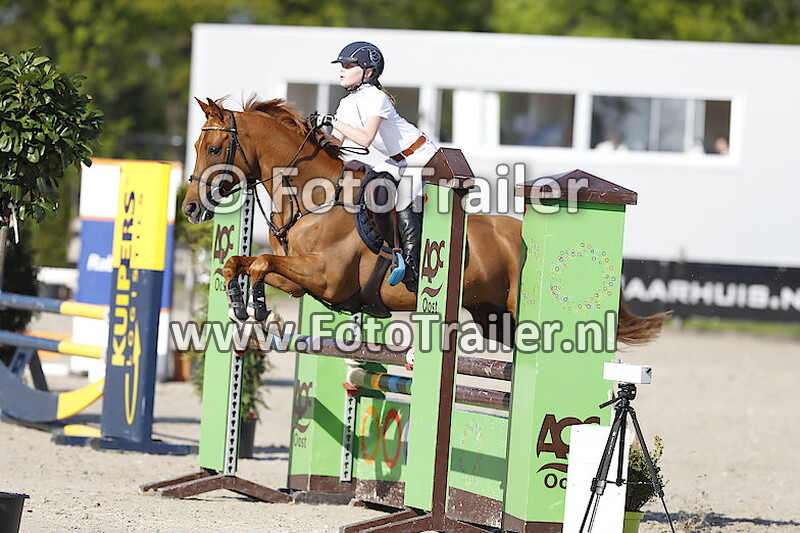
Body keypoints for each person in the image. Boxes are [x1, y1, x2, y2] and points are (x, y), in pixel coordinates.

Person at [310, 41, 437, 291]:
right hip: (396, 160)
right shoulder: (346, 103)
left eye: (349, 66)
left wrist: (332, 121)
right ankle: (392, 250)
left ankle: (412, 265)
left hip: (421, 154)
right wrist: (316, 132)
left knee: (402, 199)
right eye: (341, 66)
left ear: (368, 72)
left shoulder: (376, 98)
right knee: (372, 192)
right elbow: (338, 143)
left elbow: (366, 138)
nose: (342, 70)